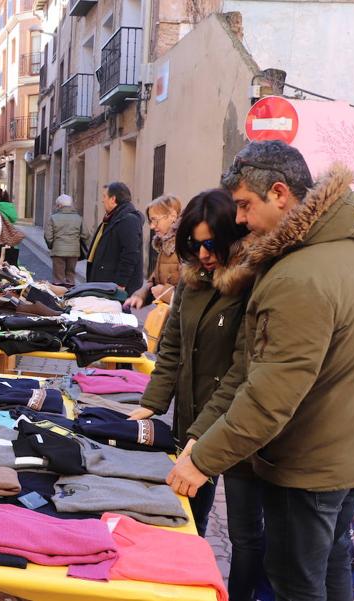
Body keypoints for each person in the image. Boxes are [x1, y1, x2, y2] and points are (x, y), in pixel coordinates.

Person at [168, 141, 354, 601]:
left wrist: (200, 460)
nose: (238, 220)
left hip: (316, 458)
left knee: (295, 578)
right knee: (335, 558)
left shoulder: (297, 275)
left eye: (244, 205)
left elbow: (267, 396)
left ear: (279, 193)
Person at [128, 188, 268, 600]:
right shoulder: (192, 280)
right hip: (191, 417)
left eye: (211, 243)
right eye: (194, 244)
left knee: (245, 534)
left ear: (230, 236)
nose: (203, 254)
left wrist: (203, 436)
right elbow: (171, 348)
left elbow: (243, 370)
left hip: (236, 426)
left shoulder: (252, 284)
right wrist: (151, 404)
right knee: (187, 517)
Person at [85, 182, 144, 295]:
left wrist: (120, 283)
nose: (102, 200)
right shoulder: (112, 218)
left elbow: (130, 254)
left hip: (114, 286)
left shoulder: (128, 219)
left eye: (104, 197)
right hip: (106, 282)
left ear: (113, 199)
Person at [125, 194, 182, 309]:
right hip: (167, 318)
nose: (151, 226)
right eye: (150, 221)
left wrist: (164, 292)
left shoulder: (184, 247)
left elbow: (191, 293)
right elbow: (154, 281)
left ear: (172, 216)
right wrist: (140, 296)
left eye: (155, 220)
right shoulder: (165, 245)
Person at [43, 194, 88, 287]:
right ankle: (70, 294)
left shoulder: (53, 218)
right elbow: (85, 235)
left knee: (58, 278)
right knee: (70, 275)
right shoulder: (78, 218)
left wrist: (51, 246)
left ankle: (59, 296)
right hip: (74, 252)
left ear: (59, 205)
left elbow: (48, 236)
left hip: (58, 251)